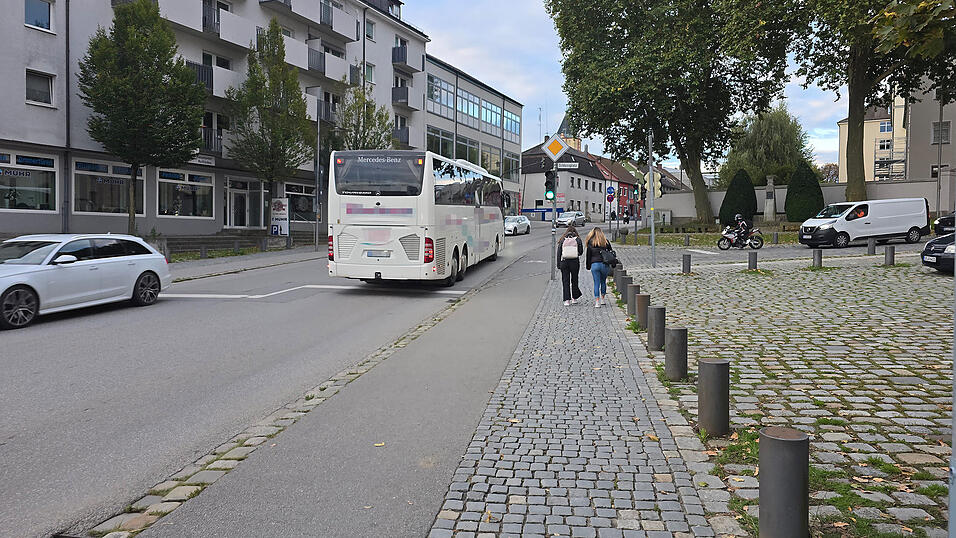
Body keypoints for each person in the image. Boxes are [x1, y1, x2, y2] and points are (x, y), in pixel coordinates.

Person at [585, 227, 613, 307]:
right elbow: (611, 252)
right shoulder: (606, 242)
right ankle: (603, 299)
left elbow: (588, 256)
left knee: (596, 283)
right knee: (603, 281)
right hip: (604, 264)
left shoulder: (590, 243)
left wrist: (588, 266)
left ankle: (597, 302)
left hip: (595, 265)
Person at [557, 226, 584, 306]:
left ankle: (566, 300)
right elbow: (581, 252)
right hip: (574, 262)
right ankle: (574, 298)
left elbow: (559, 253)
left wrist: (559, 264)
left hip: (564, 262)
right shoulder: (578, 239)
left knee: (565, 280)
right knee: (574, 279)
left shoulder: (562, 239)